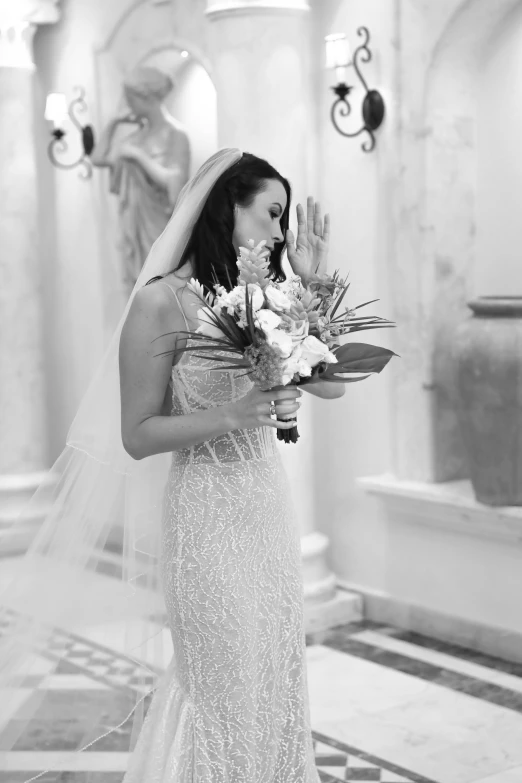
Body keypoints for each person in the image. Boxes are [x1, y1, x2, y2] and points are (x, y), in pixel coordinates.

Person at [0, 149, 343, 783]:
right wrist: (234, 414)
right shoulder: (160, 303)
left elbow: (331, 386)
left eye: (285, 216)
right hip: (205, 513)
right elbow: (136, 434)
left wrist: (312, 288)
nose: (280, 230)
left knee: (274, 672)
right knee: (222, 683)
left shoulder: (268, 295)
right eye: (271, 212)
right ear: (227, 208)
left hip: (265, 505)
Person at [91, 66, 191, 295]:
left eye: (129, 98)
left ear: (144, 97)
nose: (127, 105)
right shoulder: (136, 136)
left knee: (158, 288)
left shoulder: (176, 134)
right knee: (135, 290)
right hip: (133, 225)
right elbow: (98, 158)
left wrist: (138, 156)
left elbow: (176, 184)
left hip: (159, 226)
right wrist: (113, 124)